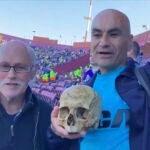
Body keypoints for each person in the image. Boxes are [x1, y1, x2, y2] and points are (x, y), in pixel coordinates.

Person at [51, 9, 150, 150]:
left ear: (129, 42)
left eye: (113, 34)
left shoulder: (145, 80)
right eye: (97, 35)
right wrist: (55, 132)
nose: (103, 42)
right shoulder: (82, 91)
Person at [0, 40, 79, 150]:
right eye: (4, 66)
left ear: (33, 72)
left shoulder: (48, 115)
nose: (11, 75)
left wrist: (57, 136)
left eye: (21, 67)